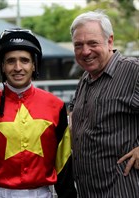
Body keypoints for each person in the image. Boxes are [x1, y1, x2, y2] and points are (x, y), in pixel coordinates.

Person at [0, 28, 77, 198]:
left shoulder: (56, 106)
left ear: (34, 65)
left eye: (24, 60)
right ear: (2, 66)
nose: (18, 67)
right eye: (11, 61)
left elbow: (64, 165)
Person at [68, 10, 139, 198]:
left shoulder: (133, 72)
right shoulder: (85, 79)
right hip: (88, 191)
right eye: (78, 45)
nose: (85, 51)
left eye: (93, 43)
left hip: (123, 190)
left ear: (110, 41)